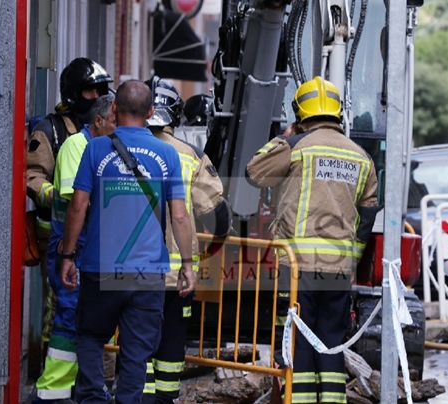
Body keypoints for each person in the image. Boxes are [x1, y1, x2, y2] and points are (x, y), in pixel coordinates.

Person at [59, 80, 197, 404]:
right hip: (147, 274)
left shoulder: (95, 149)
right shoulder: (167, 155)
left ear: (114, 110)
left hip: (99, 268)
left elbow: (78, 206)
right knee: (137, 353)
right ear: (150, 113)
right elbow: (179, 216)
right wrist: (187, 265)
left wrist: (67, 255)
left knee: (91, 336)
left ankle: (93, 397)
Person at [246, 77, 379, 403]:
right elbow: (368, 216)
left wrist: (284, 137)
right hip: (337, 270)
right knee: (331, 342)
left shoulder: (294, 148)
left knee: (299, 343)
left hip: (297, 268)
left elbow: (253, 172)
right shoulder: (362, 157)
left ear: (300, 112)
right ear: (337, 112)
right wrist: (353, 259)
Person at [142, 76, 232, 404]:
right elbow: (217, 212)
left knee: (136, 340)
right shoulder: (190, 156)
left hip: (126, 270)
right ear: (175, 115)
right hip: (174, 272)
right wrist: (210, 248)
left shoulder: (114, 147)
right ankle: (164, 399)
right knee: (170, 342)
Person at [32, 95, 116, 403]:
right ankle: (52, 389)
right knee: (68, 315)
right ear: (98, 122)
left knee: (82, 317)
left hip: (84, 247)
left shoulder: (98, 148)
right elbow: (74, 204)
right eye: (114, 122)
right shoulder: (75, 147)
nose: (118, 128)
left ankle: (75, 388)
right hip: (72, 246)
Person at [27, 58, 113, 355]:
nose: (98, 97)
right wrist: (55, 196)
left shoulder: (104, 129)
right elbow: (32, 175)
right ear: (73, 94)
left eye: (102, 90)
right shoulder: (50, 130)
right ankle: (53, 369)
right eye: (91, 91)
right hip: (57, 234)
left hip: (93, 238)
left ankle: (83, 374)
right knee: (59, 306)